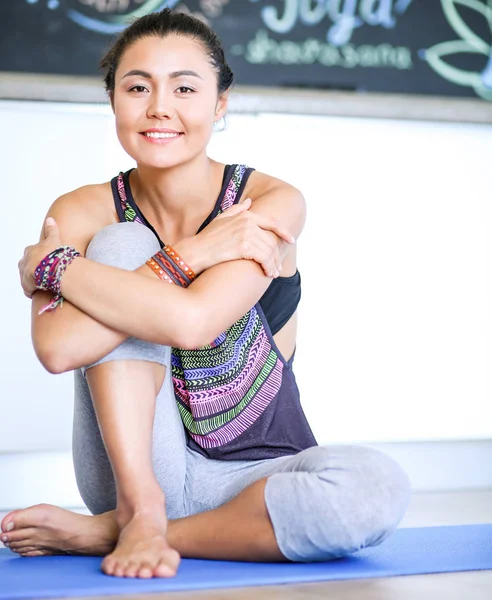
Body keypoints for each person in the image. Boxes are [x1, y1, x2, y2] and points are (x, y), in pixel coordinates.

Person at [2, 8, 411, 580]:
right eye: (137, 87)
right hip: (135, 470)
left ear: (220, 105)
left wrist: (55, 269)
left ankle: (105, 532)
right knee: (121, 245)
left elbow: (194, 324)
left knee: (375, 487)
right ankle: (140, 511)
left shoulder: (267, 202)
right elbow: (57, 349)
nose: (159, 107)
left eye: (185, 88)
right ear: (113, 100)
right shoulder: (82, 211)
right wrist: (189, 254)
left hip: (256, 474)